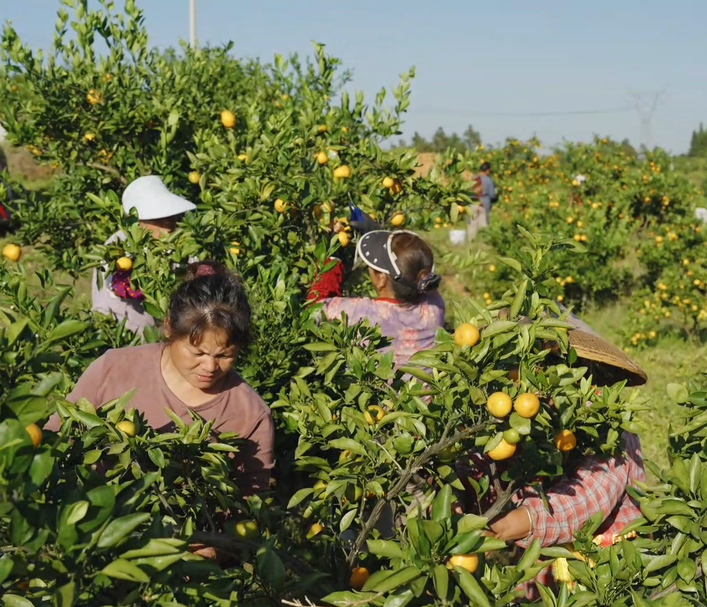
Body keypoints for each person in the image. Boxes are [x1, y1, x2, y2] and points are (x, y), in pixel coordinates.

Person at [49, 260, 274, 496]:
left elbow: (251, 500)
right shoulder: (114, 368)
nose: (209, 366)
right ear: (169, 328)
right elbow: (57, 438)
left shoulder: (249, 413)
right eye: (197, 352)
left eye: (224, 355)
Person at [472, 312, 648, 597]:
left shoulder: (611, 433)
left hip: (603, 569)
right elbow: (489, 463)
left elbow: (585, 503)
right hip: (546, 565)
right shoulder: (530, 419)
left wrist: (512, 523)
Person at [308, 229, 444, 368]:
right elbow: (410, 267)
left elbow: (313, 307)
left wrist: (333, 258)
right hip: (422, 388)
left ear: (381, 279)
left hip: (374, 389)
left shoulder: (362, 313)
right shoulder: (434, 304)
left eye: (371, 267)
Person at [91, 175, 196, 334]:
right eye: (160, 221)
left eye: (170, 219)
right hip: (127, 335)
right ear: (137, 221)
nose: (168, 228)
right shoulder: (117, 248)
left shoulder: (181, 245)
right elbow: (104, 303)